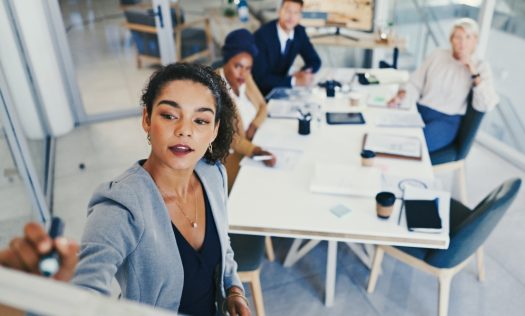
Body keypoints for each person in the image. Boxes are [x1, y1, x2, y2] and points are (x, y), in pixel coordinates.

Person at [0, 63, 251, 316]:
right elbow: (85, 293)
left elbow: (223, 245)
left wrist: (233, 291)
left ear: (214, 130)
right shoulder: (120, 206)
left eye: (201, 120)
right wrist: (46, 300)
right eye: (169, 115)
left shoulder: (213, 174)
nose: (184, 130)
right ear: (147, 119)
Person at [388, 18, 499, 152]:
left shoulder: (481, 67)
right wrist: (401, 96)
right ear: (451, 39)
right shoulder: (438, 55)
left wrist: (473, 73)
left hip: (446, 120)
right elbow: (414, 83)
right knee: (391, 136)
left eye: (468, 37)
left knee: (412, 145)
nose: (462, 43)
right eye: (458, 37)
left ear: (475, 40)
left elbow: (486, 104)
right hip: (420, 110)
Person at [216, 29, 277, 190]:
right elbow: (227, 137)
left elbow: (263, 106)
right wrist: (256, 151)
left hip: (259, 143)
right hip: (234, 158)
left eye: (248, 68)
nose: (243, 74)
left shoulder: (245, 78)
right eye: (238, 66)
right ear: (226, 61)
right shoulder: (215, 89)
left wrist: (254, 126)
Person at [252, 0, 321, 96]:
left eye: (296, 13)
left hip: (281, 90)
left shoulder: (299, 32)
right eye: (288, 11)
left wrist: (304, 72)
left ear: (300, 16)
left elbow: (314, 60)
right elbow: (261, 78)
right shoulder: (262, 36)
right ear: (279, 11)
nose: (291, 17)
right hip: (260, 93)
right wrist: (294, 81)